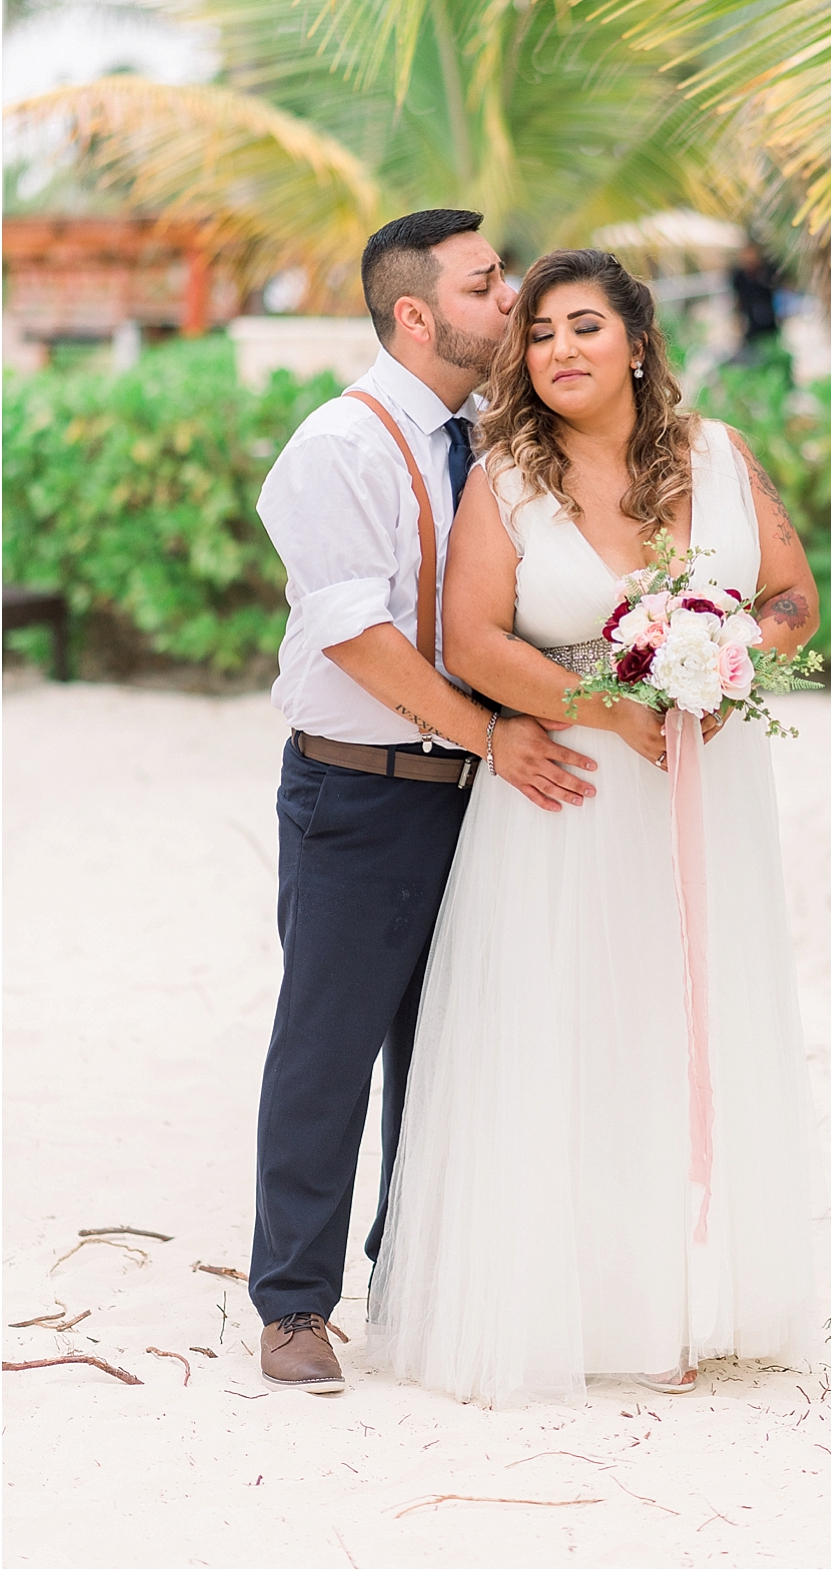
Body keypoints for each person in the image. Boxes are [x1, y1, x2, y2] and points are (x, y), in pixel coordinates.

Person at [368, 247, 822, 1406]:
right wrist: (601, 705)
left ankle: (687, 1296)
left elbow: (792, 600)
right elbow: (471, 643)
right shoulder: (505, 479)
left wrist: (727, 664)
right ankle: (581, 1302)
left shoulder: (718, 456)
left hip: (701, 789)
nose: (560, 349)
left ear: (635, 339)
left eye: (584, 326)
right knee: (571, 1027)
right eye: (541, 334)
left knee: (687, 1021)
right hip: (565, 787)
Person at [250, 211, 600, 1394]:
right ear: (417, 313)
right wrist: (493, 731)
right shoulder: (338, 448)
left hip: (490, 794)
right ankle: (294, 1301)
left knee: (453, 1045)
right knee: (329, 1044)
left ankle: (415, 1274)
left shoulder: (500, 439)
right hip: (362, 791)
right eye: (489, 283)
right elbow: (358, 637)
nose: (511, 301)